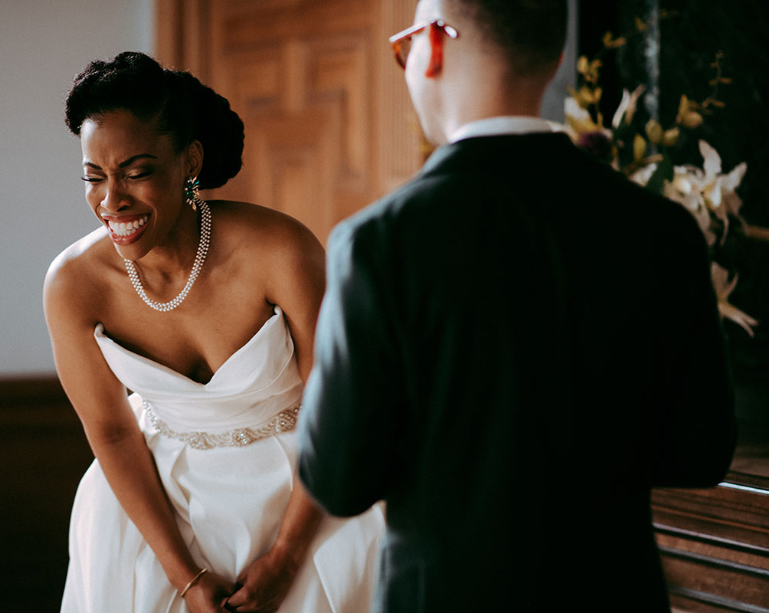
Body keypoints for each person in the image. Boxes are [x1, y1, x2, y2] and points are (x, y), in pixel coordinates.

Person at [297, 0, 738, 611]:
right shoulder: (662, 230)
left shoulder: (380, 242)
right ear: (557, 56)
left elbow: (336, 479)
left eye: (405, 48)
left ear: (435, 44)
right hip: (614, 594)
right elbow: (701, 451)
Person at [44, 51, 383, 613]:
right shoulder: (74, 285)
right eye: (93, 177)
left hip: (307, 495)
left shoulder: (280, 249)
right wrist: (184, 575)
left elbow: (338, 410)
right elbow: (113, 433)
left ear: (189, 161)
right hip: (157, 514)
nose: (111, 201)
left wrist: (287, 558)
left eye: (137, 171)